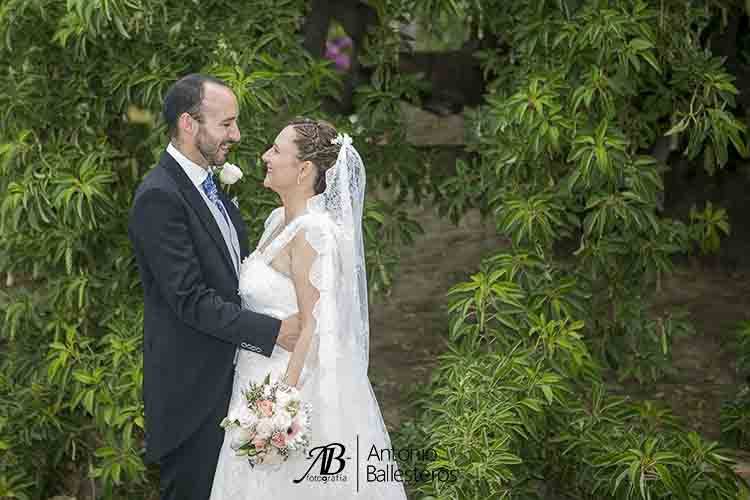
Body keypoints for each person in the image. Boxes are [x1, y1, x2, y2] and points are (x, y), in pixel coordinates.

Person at [209, 118, 407, 499]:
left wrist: (279, 405)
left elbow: (316, 326)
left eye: (276, 150)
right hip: (251, 384)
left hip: (286, 393)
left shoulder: (314, 233)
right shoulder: (278, 221)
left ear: (303, 170)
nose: (265, 156)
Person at [127, 74, 301, 500]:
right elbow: (188, 298)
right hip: (193, 397)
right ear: (189, 124)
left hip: (236, 387)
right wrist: (274, 331)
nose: (237, 135)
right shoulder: (159, 197)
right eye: (226, 124)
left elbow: (233, 281)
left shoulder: (212, 187)